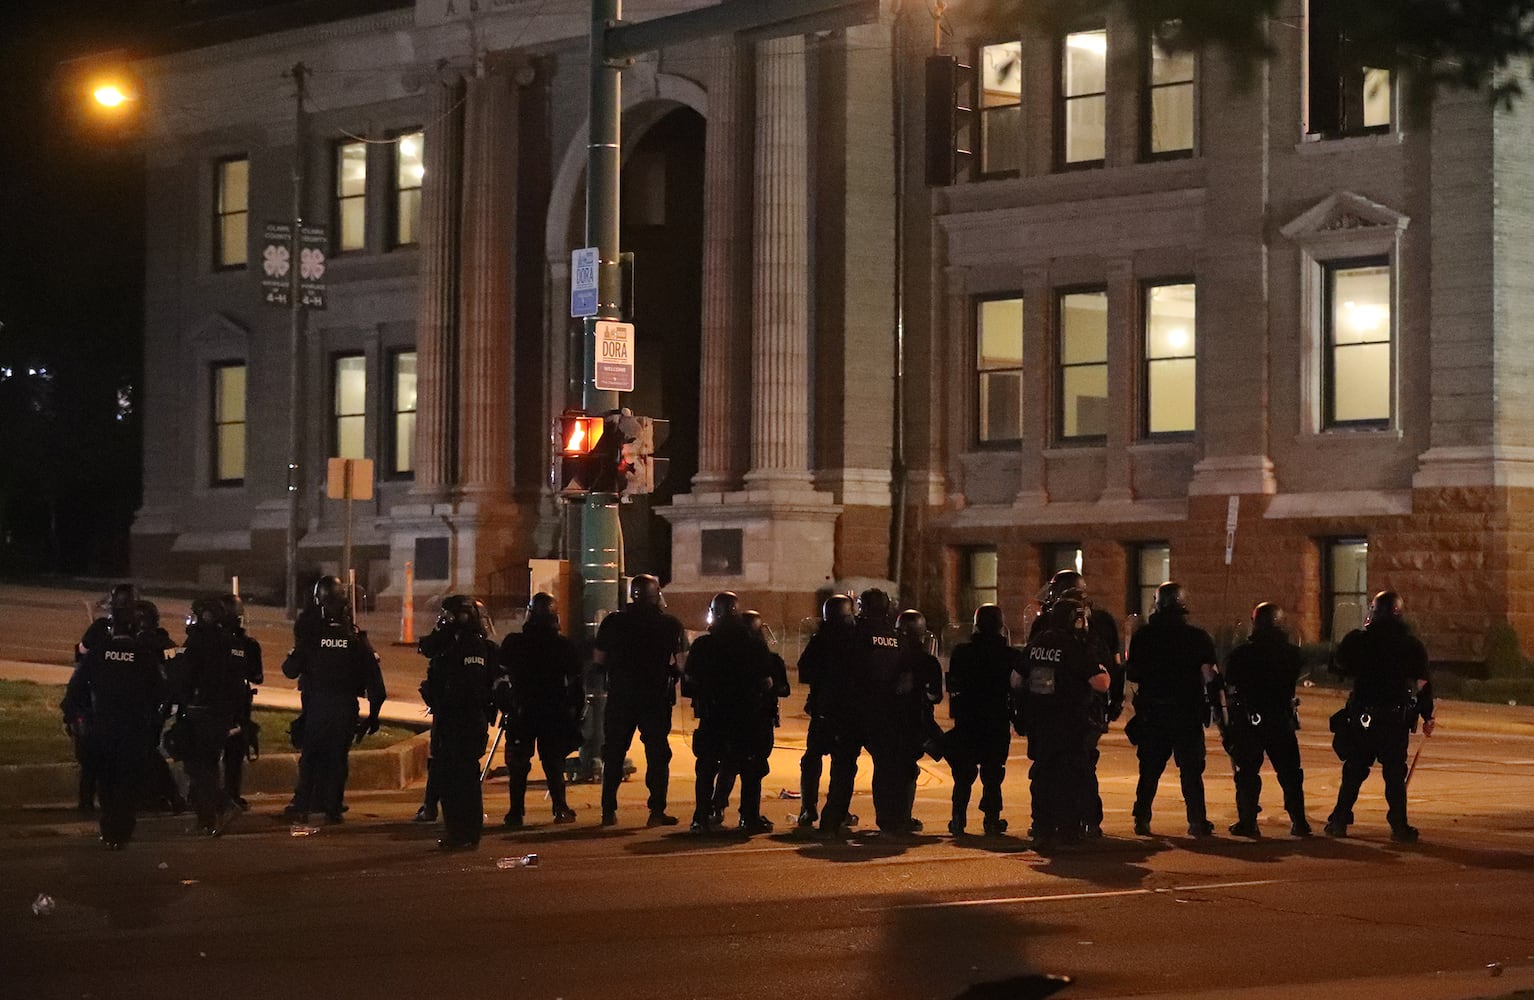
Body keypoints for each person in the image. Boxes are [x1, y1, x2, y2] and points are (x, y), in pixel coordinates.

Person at [1325, 591, 1434, 843]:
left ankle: (1339, 820)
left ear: (1374, 611)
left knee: (1354, 770)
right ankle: (1399, 826)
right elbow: (1423, 683)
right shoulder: (1411, 644)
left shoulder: (1360, 640)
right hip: (1394, 719)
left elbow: (1339, 665)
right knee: (1395, 774)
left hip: (1364, 717)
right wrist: (1427, 716)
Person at [61, 599, 167, 849]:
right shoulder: (144, 656)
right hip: (134, 729)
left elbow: (76, 689)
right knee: (127, 782)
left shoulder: (98, 653)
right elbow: (161, 691)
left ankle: (110, 832)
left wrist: (73, 716)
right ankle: (123, 831)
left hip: (103, 728)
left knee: (107, 781)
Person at [282, 576, 386, 823]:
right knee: (338, 757)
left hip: (318, 706)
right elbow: (376, 685)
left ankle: (303, 804)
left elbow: (289, 670)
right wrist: (373, 717)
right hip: (345, 707)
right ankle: (333, 806)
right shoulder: (356, 639)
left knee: (312, 755)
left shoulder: (312, 636)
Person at [1030, 570, 1122, 837]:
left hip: (1055, 711)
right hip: (1085, 709)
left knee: (1052, 766)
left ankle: (1050, 822)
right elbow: (1112, 670)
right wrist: (1113, 703)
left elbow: (1025, 672)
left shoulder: (1045, 626)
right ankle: (1084, 821)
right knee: (1080, 766)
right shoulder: (1101, 622)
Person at [1125, 582, 1219, 837]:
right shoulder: (1198, 637)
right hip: (1187, 713)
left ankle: (1142, 819)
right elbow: (1210, 676)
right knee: (1191, 771)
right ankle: (1197, 821)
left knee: (1149, 770)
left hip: (1154, 712)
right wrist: (1217, 711)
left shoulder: (1143, 636)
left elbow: (1132, 672)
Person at [1016, 597, 1110, 847]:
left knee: (1043, 773)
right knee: (1071, 773)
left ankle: (1041, 824)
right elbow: (1099, 683)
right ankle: (1069, 827)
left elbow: (1016, 679)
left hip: (1040, 721)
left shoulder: (1037, 642)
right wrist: (1104, 669)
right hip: (1070, 721)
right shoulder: (1075, 646)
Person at [596, 574, 687, 827]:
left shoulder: (612, 622)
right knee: (657, 755)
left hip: (620, 697)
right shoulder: (670, 624)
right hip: (654, 698)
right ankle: (656, 811)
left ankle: (608, 811)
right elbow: (682, 664)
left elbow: (598, 659)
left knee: (613, 753)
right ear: (655, 594)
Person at [685, 593, 778, 833]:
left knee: (706, 767)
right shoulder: (754, 644)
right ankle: (749, 817)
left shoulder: (703, 645)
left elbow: (689, 682)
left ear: (715, 613)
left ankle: (702, 817)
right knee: (750, 767)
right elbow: (767, 682)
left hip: (713, 715)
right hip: (746, 717)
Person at [1221, 602, 1311, 838]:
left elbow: (1229, 681)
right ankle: (1299, 821)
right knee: (1290, 773)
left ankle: (1248, 822)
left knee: (1248, 773)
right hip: (1281, 718)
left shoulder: (1242, 654)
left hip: (1250, 719)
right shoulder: (1292, 654)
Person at [418, 596, 499, 849]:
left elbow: (464, 688)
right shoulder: (471, 646)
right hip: (467, 720)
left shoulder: (465, 648)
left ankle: (460, 833)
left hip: (458, 720)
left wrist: (436, 696)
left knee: (456, 779)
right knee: (463, 778)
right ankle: (466, 832)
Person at [497, 593, 583, 829]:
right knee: (553, 763)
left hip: (522, 710)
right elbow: (576, 685)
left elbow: (500, 677)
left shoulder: (514, 642)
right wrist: (574, 715)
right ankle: (560, 808)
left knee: (518, 765)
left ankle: (515, 813)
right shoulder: (564, 646)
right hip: (552, 711)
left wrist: (506, 705)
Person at [165, 597, 248, 836]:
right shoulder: (232, 643)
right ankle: (206, 820)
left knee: (195, 766)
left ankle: (223, 805)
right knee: (209, 765)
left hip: (200, 711)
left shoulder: (198, 641)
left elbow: (185, 678)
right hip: (222, 714)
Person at [706, 609, 790, 830]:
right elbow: (783, 689)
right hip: (759, 722)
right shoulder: (767, 657)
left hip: (729, 718)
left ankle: (716, 808)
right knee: (753, 770)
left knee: (729, 764)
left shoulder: (726, 654)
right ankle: (748, 815)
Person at [861, 600, 937, 837]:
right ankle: (902, 817)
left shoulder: (889, 650)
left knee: (883, 768)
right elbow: (935, 696)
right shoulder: (927, 660)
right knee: (906, 770)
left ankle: (884, 817)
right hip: (912, 722)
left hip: (883, 718)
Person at [946, 604, 1021, 836]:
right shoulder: (1009, 655)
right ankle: (991, 819)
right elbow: (1022, 682)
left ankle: (958, 818)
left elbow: (953, 685)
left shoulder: (961, 652)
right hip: (996, 721)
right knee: (992, 773)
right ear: (1000, 626)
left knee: (963, 774)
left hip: (967, 720)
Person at [65, 583, 137, 814]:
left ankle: (89, 802)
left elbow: (82, 655)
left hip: (98, 705)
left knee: (93, 756)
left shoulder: (101, 630)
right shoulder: (139, 630)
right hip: (127, 709)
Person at [795, 594, 858, 830]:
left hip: (823, 709)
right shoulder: (855, 640)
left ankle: (807, 809)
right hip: (848, 712)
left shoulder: (820, 640)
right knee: (843, 764)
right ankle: (836, 811)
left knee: (812, 758)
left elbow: (804, 671)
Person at [219, 593, 263, 810]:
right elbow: (257, 676)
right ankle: (231, 794)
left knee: (216, 753)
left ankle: (214, 796)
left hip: (217, 703)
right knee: (233, 753)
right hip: (237, 703)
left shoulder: (210, 641)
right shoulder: (247, 644)